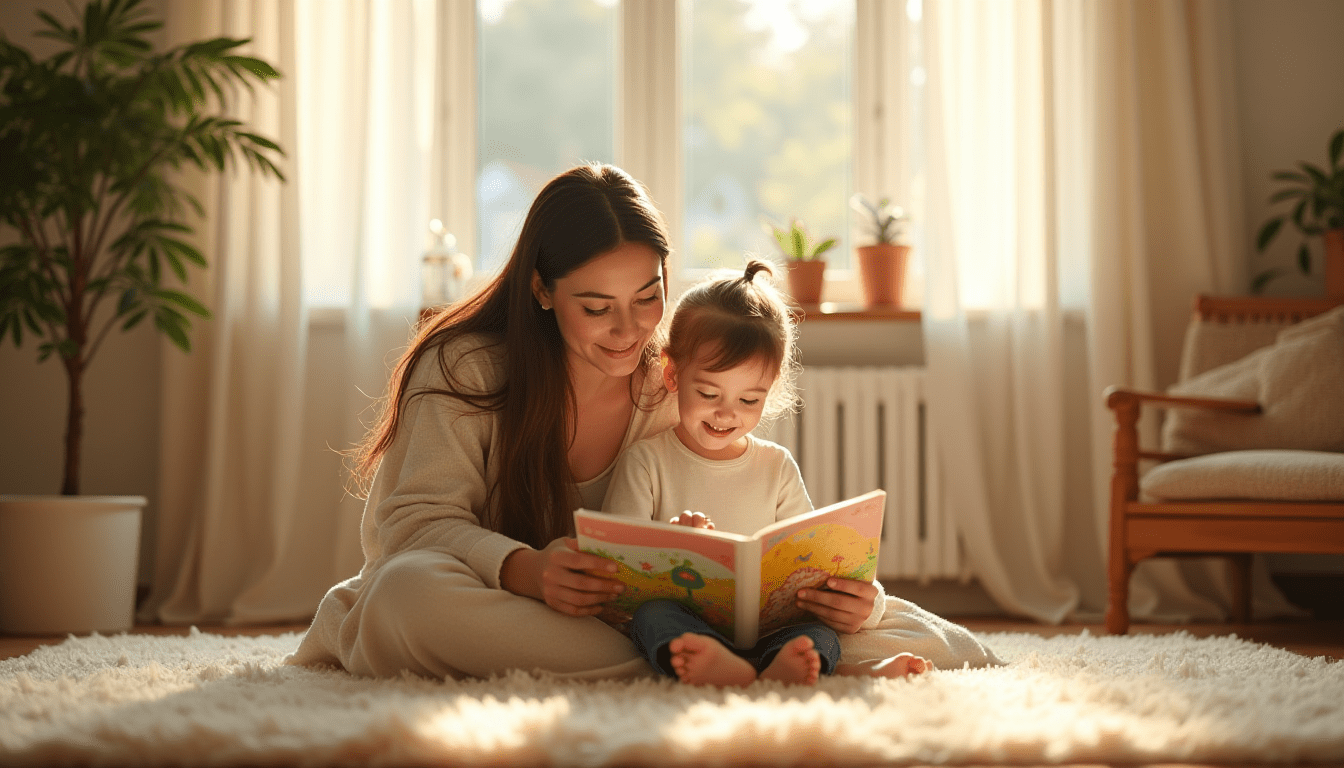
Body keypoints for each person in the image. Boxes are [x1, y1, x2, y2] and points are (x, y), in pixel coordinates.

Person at [286, 164, 683, 679]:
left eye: (648, 297)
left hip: (619, 617)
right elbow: (415, 527)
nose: (630, 329)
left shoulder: (671, 385)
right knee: (403, 596)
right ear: (542, 289)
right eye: (596, 307)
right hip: (482, 597)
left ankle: (668, 652)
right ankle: (670, 660)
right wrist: (528, 570)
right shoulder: (465, 366)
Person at [602, 260, 932, 687]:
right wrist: (675, 542)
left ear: (771, 388)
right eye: (708, 393)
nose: (727, 413)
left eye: (749, 399)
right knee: (652, 619)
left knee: (817, 635)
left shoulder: (775, 466)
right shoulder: (646, 462)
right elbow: (617, 573)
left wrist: (859, 602)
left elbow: (814, 558)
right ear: (671, 372)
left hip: (769, 628)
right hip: (685, 620)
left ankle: (784, 667)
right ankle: (736, 665)